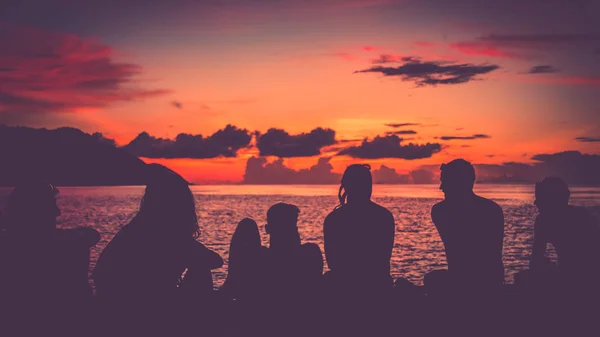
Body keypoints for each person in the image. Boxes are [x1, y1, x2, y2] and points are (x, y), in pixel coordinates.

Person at [92, 164, 223, 335]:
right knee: (201, 268)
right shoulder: (167, 234)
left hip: (115, 309)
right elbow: (214, 260)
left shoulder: (132, 231)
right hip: (150, 312)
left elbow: (99, 272)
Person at [0, 182, 100, 336]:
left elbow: (92, 235)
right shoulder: (67, 245)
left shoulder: (10, 242)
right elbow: (91, 236)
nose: (58, 212)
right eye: (50, 206)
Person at [322, 164, 395, 336]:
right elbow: (384, 258)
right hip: (377, 289)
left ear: (345, 186)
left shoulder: (333, 219)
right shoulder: (384, 216)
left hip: (345, 292)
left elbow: (332, 261)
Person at [429, 159, 505, 295]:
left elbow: (460, 251)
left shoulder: (440, 211)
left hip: (464, 284)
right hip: (493, 282)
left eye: (445, 182)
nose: (441, 188)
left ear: (458, 184)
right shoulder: (493, 210)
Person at [528, 177, 600, 292]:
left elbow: (536, 259)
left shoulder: (544, 221)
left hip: (585, 278)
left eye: (540, 197)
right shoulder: (585, 216)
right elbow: (537, 258)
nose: (535, 202)